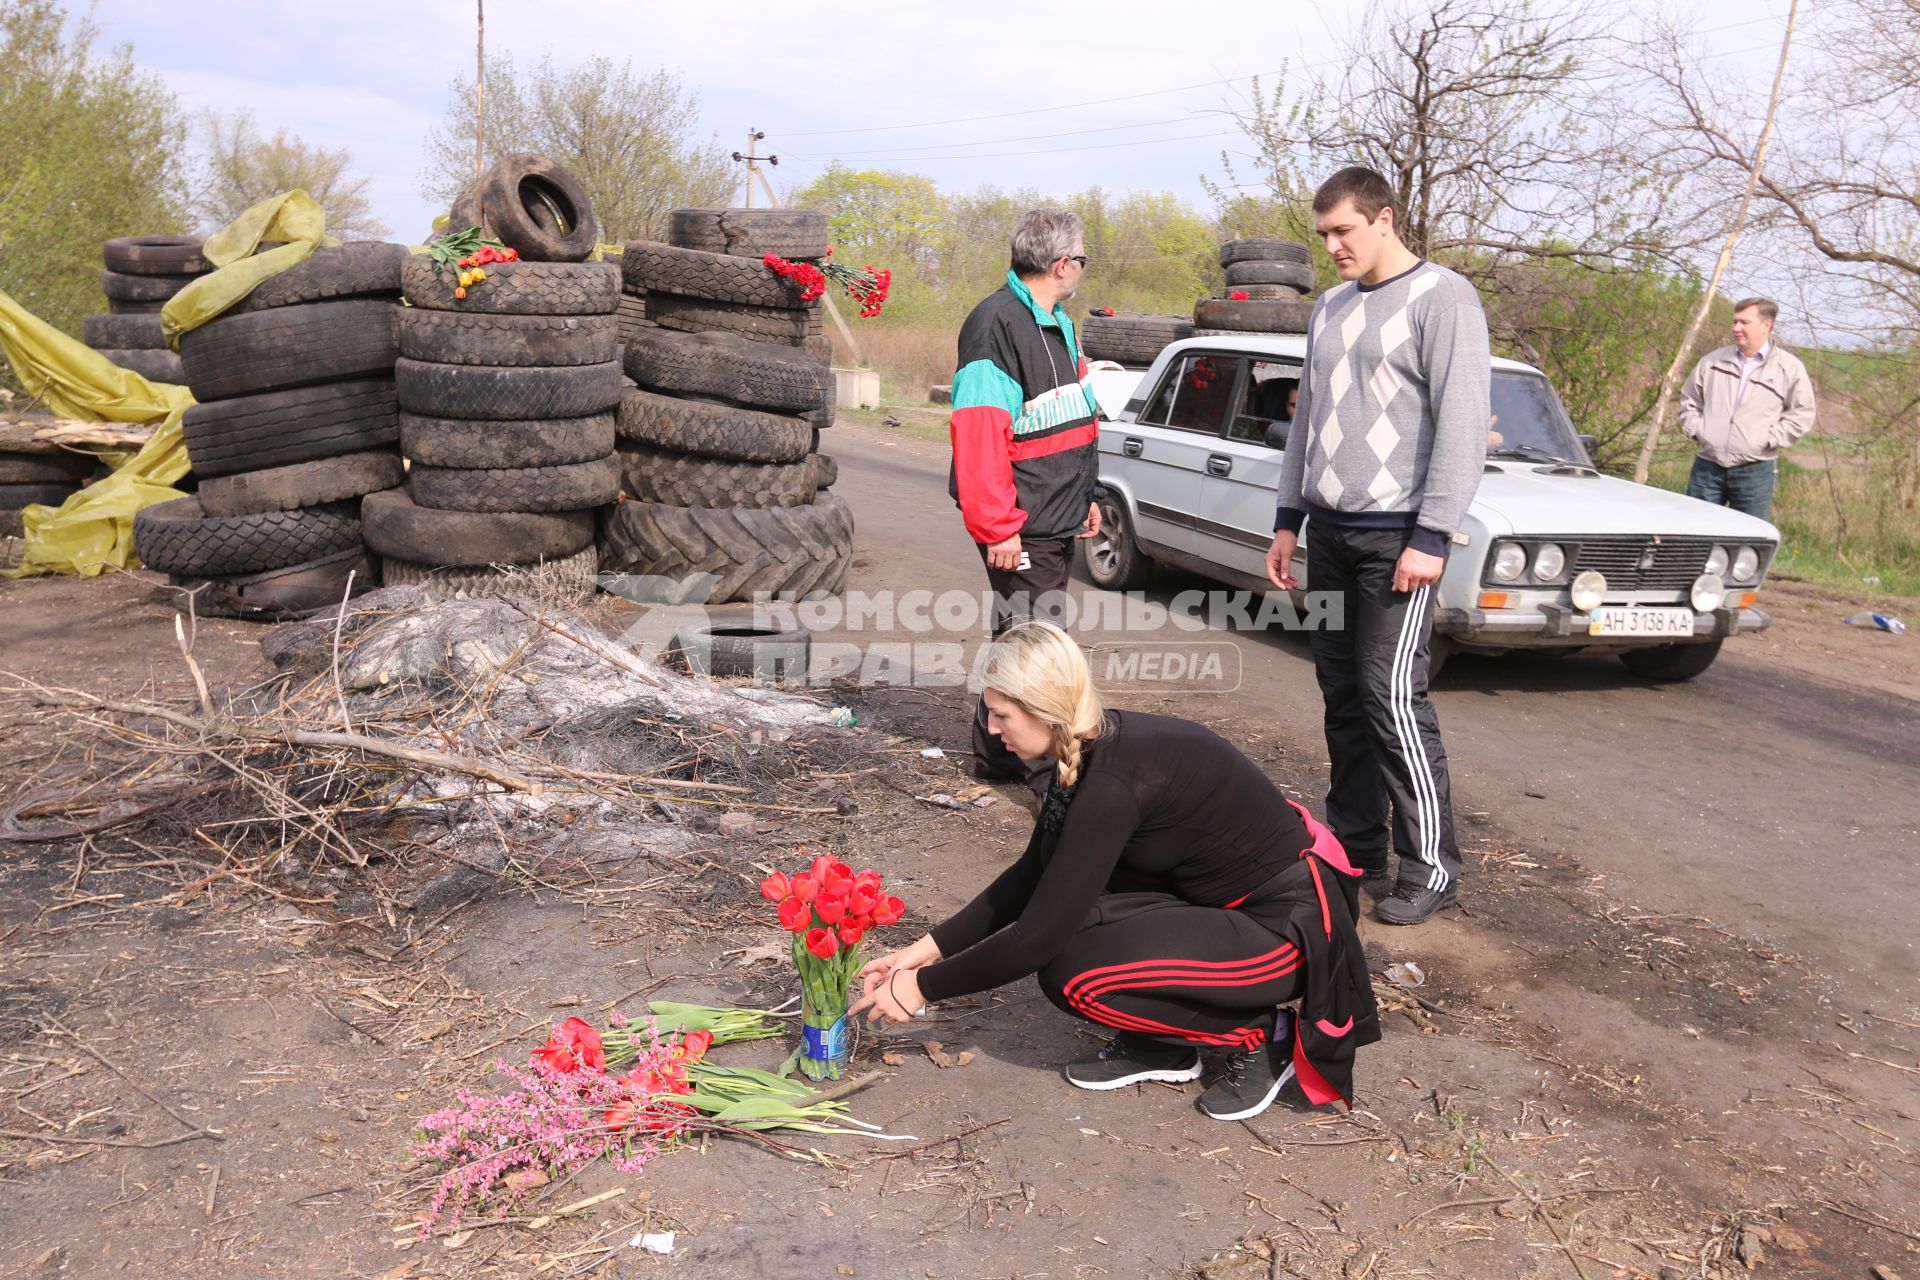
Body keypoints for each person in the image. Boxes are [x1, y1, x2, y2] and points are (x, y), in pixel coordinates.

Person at [848, 621, 1380, 1120]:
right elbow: (1034, 871)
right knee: (1077, 935)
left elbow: (1036, 938)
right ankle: (1165, 1047)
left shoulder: (1114, 782)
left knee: (1077, 977)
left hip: (1286, 933)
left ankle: (1264, 1038)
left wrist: (921, 989)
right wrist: (925, 951)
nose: (990, 729)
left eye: (1001, 715)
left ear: (1045, 709)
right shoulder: (1086, 749)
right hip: (1222, 914)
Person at [1263, 166, 1491, 927]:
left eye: (1344, 231)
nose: (1332, 247)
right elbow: (1306, 422)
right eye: (1322, 234)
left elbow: (1463, 426)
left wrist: (1433, 535)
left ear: (1384, 220)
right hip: (1328, 531)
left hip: (1400, 539)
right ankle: (1355, 845)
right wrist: (1288, 517)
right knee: (1341, 696)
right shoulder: (1327, 307)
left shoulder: (1443, 298)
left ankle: (1431, 862)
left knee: (1391, 696)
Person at [948, 209, 1103, 790]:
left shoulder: (1058, 322)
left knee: (1021, 638)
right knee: (1037, 648)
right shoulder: (997, 327)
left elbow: (1075, 418)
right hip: (1021, 522)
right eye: (1081, 261)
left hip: (1054, 512)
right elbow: (980, 436)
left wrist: (1084, 497)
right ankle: (1044, 776)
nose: (1081, 270)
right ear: (1062, 264)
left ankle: (1000, 758)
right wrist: (998, 528)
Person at [1678, 297, 1816, 520]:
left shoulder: (1788, 368)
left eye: (1744, 322)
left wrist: (1767, 440)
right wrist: (1698, 431)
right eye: (1734, 322)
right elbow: (1689, 400)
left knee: (1746, 541)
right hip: (1707, 468)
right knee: (1695, 533)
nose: (1736, 328)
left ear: (1766, 325)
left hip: (1755, 472)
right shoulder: (1712, 362)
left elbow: (1802, 414)